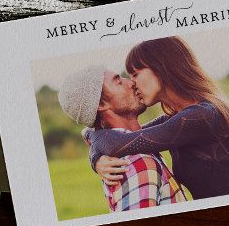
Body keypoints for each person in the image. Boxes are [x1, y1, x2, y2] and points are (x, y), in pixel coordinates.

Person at [84, 36, 229, 200]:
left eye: (135, 74)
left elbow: (120, 142)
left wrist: (93, 145)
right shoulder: (179, 118)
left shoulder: (201, 117)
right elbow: (127, 137)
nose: (132, 83)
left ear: (160, 68)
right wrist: (97, 157)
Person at [58, 64, 186, 212]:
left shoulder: (135, 151)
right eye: (118, 81)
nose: (132, 83)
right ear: (100, 104)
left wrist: (93, 146)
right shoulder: (137, 164)